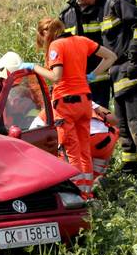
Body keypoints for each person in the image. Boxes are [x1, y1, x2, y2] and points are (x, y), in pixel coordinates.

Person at [65, 0, 137, 181]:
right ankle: (130, 166)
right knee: (124, 125)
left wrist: (135, 58)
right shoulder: (104, 6)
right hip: (119, 74)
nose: (83, 4)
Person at [22, 18, 116, 198]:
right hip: (85, 101)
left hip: (65, 104)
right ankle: (87, 193)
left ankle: (76, 194)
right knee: (83, 149)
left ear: (45, 33)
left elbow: (56, 77)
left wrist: (34, 67)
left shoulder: (56, 46)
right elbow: (111, 56)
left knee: (70, 150)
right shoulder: (82, 41)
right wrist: (93, 75)